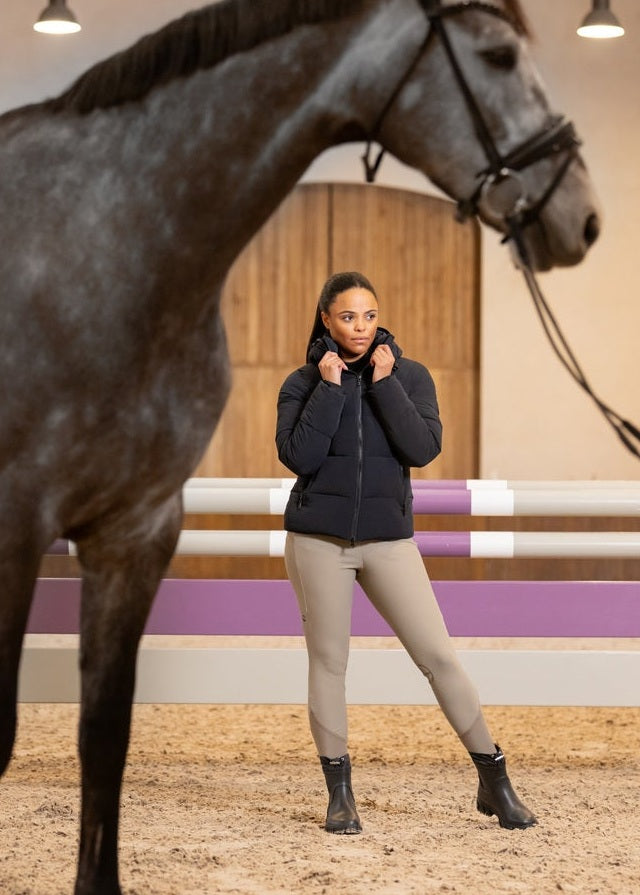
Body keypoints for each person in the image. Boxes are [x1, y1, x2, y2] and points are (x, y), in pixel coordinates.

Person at [275, 271, 536, 835]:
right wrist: (330, 387)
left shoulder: (410, 376)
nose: (360, 327)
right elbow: (299, 457)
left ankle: (495, 781)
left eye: (368, 315)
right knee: (329, 662)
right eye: (348, 317)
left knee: (439, 658)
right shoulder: (301, 382)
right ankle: (339, 794)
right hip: (318, 541)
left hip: (389, 540)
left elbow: (423, 448)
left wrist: (387, 383)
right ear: (326, 318)